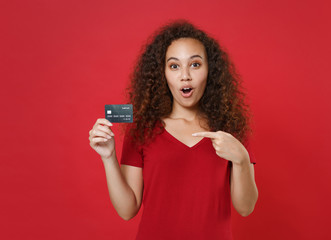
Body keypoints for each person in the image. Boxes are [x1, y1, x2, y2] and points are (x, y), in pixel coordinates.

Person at [89, 19, 258, 239]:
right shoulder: (143, 129)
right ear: (163, 74)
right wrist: (108, 157)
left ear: (211, 70)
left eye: (195, 64)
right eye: (174, 66)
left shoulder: (230, 127)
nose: (185, 75)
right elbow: (127, 210)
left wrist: (242, 160)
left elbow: (246, 208)